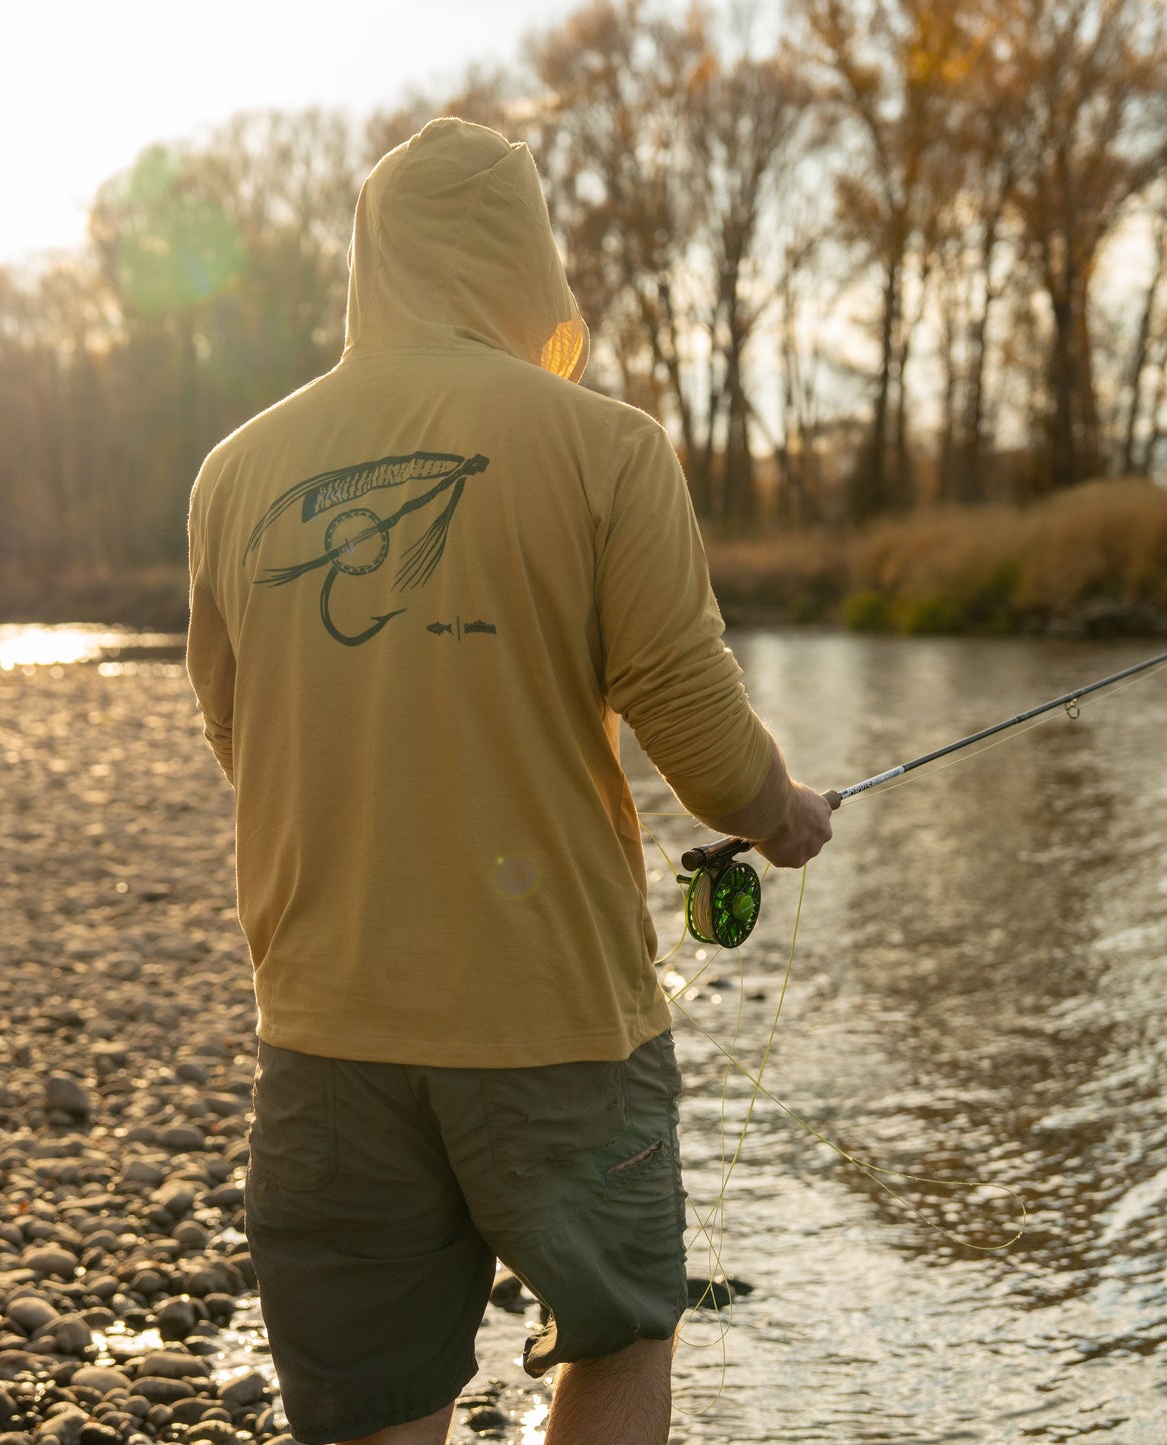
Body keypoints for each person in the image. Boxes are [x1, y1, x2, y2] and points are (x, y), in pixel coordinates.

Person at [185, 117, 833, 1445]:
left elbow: (234, 731)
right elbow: (702, 747)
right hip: (555, 1028)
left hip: (324, 1031)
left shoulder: (234, 473)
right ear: (526, 260)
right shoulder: (608, 449)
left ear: (371, 256)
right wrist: (780, 812)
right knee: (616, 1340)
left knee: (371, 1400)